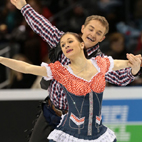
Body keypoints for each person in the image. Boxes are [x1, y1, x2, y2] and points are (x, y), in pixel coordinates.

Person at [10, 1, 142, 142]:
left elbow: (120, 78)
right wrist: (24, 7)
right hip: (51, 113)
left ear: (102, 38)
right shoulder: (64, 42)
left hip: (76, 124)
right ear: (83, 28)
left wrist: (133, 71)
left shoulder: (99, 62)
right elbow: (43, 27)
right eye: (91, 29)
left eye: (98, 33)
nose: (93, 34)